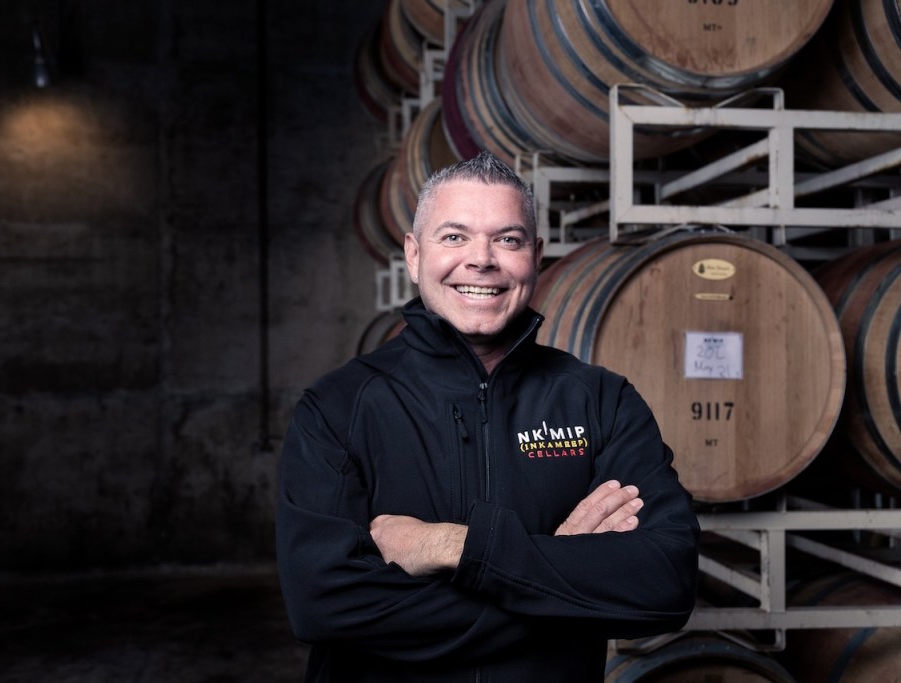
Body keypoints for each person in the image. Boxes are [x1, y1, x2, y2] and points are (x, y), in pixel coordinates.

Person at [276, 151, 699, 682]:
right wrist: (559, 573)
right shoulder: (339, 406)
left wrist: (447, 546)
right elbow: (323, 606)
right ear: (413, 254)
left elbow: (664, 586)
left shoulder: (600, 401)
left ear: (536, 256)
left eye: (508, 239)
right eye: (454, 236)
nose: (482, 259)